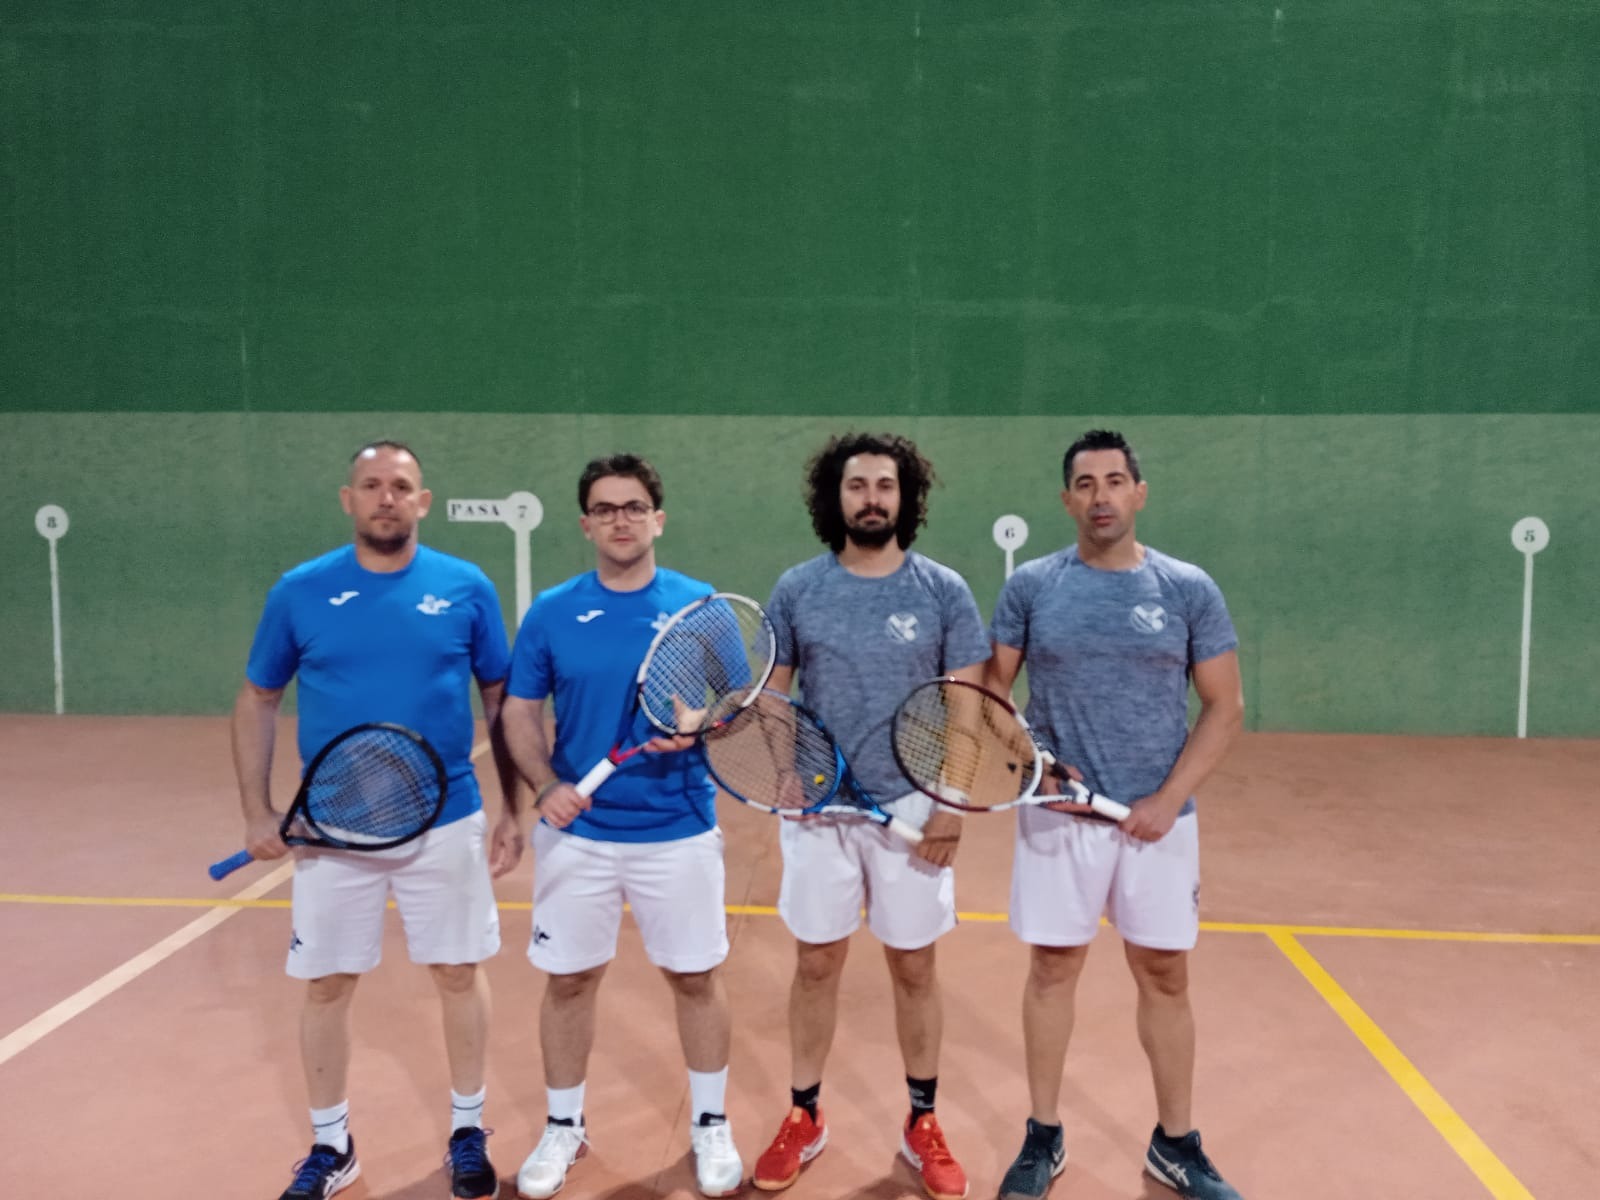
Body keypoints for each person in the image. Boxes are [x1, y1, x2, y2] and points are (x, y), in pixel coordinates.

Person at [231, 440, 524, 1200]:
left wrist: (513, 808)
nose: (386, 497)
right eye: (371, 485)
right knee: (327, 984)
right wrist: (258, 810)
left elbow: (501, 697)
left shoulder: (466, 587)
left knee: (458, 972)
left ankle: (468, 1131)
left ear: (423, 501)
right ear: (348, 499)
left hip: (446, 818)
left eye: (400, 486)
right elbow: (258, 697)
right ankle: (332, 1147)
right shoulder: (300, 591)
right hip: (334, 828)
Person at [986, 429, 1247, 1200]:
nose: (1100, 496)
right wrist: (1031, 764)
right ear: (1067, 500)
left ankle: (1176, 1144)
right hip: (1059, 820)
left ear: (1139, 493)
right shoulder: (1032, 587)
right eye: (1085, 484)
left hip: (1159, 825)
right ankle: (1043, 1135)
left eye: (1113, 481)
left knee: (1164, 974)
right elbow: (990, 694)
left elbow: (1225, 706)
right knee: (1052, 969)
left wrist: (1167, 799)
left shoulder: (1187, 589)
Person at [751, 433, 989, 1200]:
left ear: (906, 497)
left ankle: (923, 1121)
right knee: (816, 963)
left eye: (885, 485)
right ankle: (804, 1114)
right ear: (836, 497)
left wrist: (951, 802)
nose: (872, 498)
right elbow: (775, 692)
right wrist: (786, 770)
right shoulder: (798, 588)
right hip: (822, 811)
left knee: (913, 966)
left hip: (914, 803)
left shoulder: (942, 590)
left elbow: (967, 706)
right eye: (857, 486)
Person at [500, 453, 744, 1200]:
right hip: (580, 835)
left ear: (657, 519)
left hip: (678, 828)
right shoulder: (551, 612)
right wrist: (545, 785)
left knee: (695, 978)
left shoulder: (701, 607)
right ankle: (564, 1127)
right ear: (586, 525)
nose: (621, 520)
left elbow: (742, 701)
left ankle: (711, 1123)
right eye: (605, 509)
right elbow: (519, 710)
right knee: (570, 981)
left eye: (634, 506)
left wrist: (705, 722)